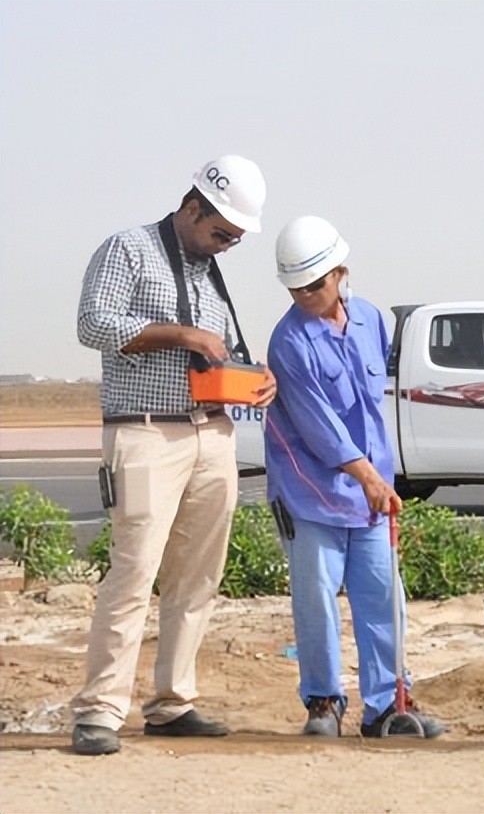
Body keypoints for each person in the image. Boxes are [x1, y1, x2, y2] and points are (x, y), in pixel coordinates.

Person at [71, 155, 276, 756]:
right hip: (146, 434)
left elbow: (224, 348)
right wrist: (182, 334)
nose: (227, 246)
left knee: (197, 577)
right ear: (193, 208)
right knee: (133, 573)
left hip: (211, 436)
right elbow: (92, 323)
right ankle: (100, 711)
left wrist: (254, 374)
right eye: (221, 234)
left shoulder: (210, 271)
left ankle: (172, 702)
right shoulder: (128, 250)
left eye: (235, 240)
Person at [263, 216, 446, 739]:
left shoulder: (369, 320)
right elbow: (318, 425)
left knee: (381, 594)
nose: (305, 295)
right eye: (295, 287)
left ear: (340, 273)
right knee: (316, 598)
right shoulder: (289, 341)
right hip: (312, 491)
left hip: (370, 489)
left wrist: (378, 477)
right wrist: (367, 476)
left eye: (315, 285)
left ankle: (388, 706)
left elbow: (370, 406)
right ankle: (323, 702)